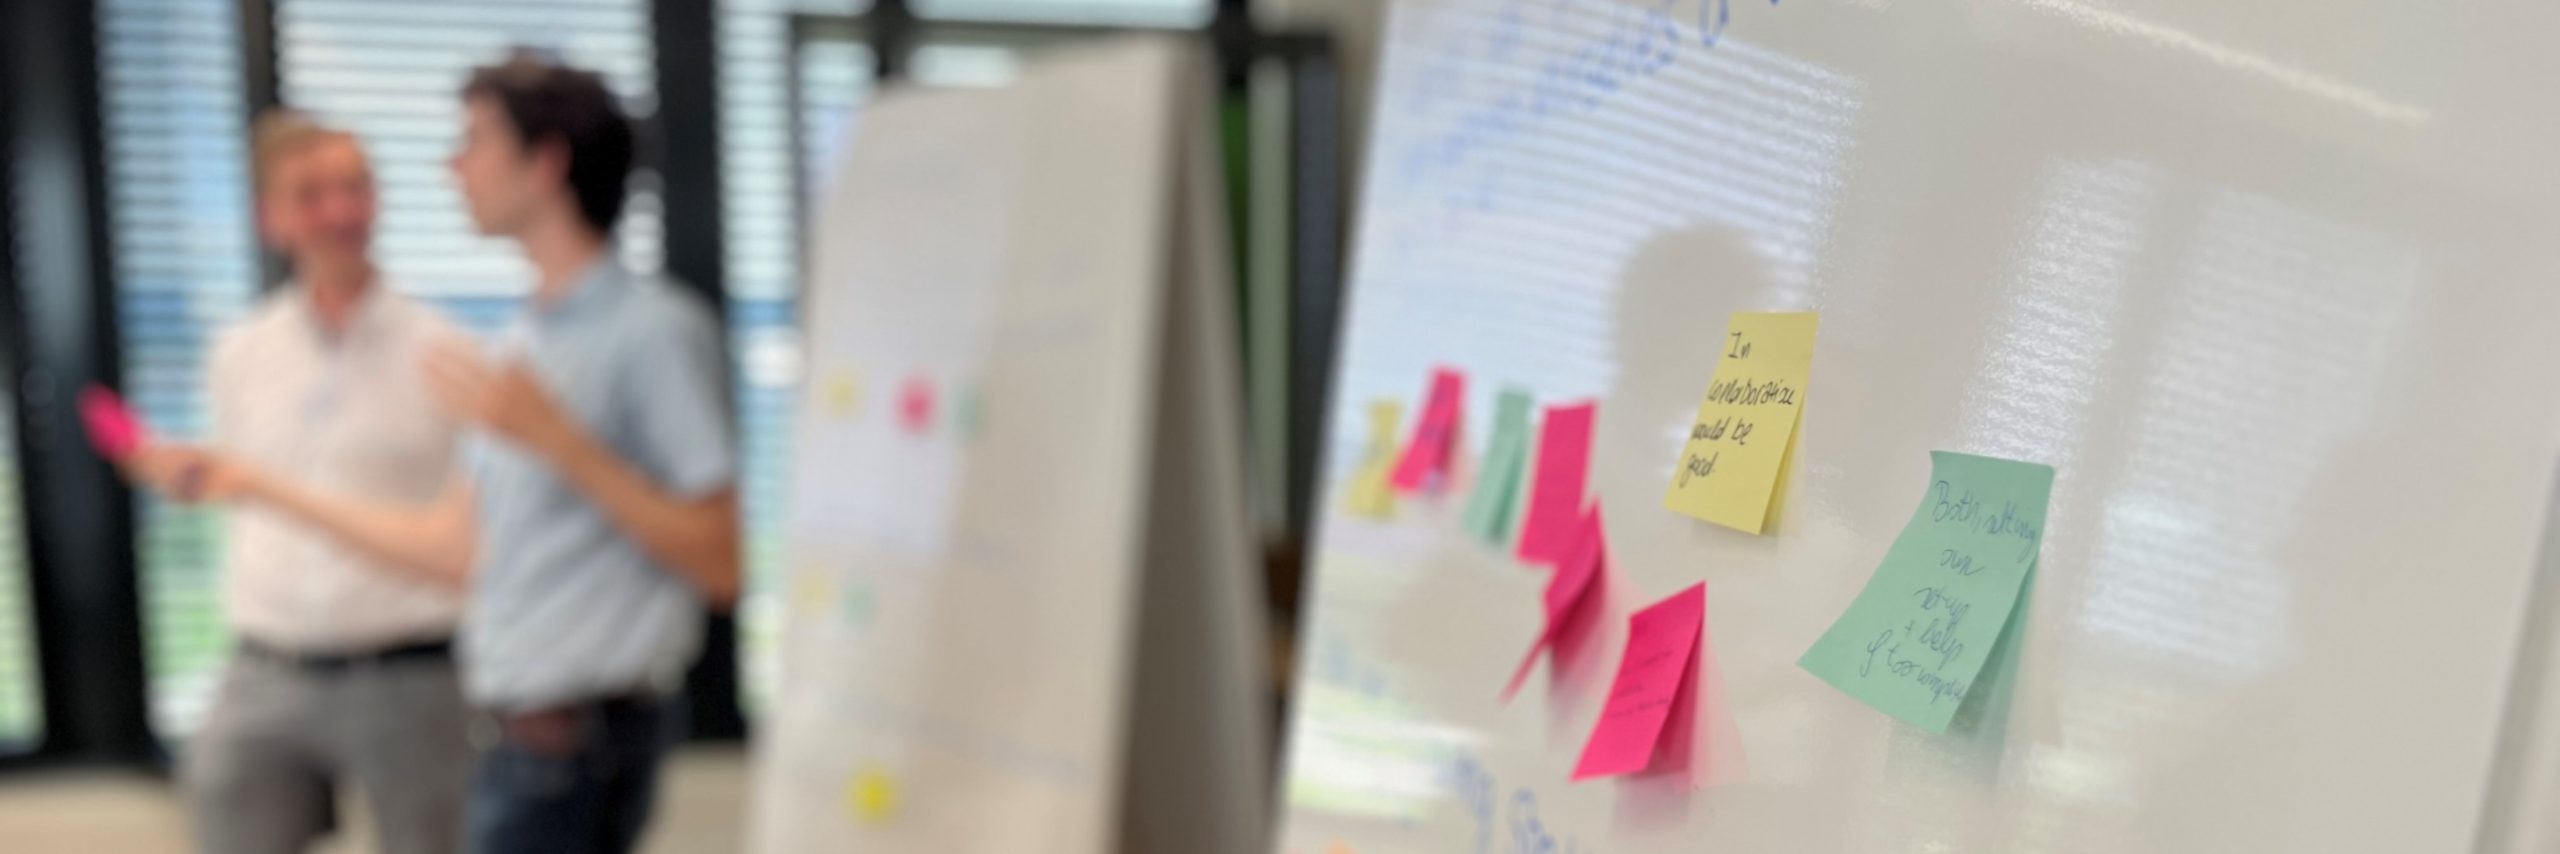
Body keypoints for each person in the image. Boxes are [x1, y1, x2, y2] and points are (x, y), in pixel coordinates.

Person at [146, 55, 741, 854]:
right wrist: (254, 486)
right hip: (517, 735)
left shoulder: (647, 332)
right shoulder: (526, 340)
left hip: (569, 738)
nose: (452, 167)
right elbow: (453, 548)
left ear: (546, 162)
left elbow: (720, 562)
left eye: (474, 142)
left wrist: (559, 442)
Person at [125, 109, 475, 854]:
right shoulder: (240, 351)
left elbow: (467, 538)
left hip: (408, 671)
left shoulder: (447, 353)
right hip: (266, 672)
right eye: (312, 194)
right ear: (270, 218)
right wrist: (192, 476)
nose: (340, 212)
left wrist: (256, 482)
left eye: (354, 188)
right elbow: (238, 486)